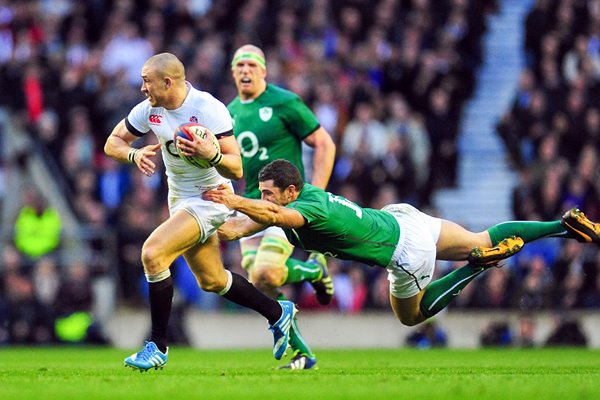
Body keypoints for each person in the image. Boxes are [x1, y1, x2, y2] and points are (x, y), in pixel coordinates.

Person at [203, 159, 600, 326]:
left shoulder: (305, 211)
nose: (263, 198)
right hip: (403, 218)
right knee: (483, 236)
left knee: (412, 315)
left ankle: (475, 267)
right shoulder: (302, 199)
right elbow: (240, 227)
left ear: (290, 191)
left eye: (269, 193)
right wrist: (202, 220)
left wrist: (233, 198)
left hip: (405, 253)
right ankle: (564, 225)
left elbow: (271, 216)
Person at [104, 53, 301, 372]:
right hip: (179, 199)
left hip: (212, 198)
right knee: (212, 280)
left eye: (146, 81)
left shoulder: (207, 109)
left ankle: (157, 346)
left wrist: (212, 154)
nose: (142, 88)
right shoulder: (150, 111)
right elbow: (112, 142)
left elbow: (236, 166)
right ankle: (278, 313)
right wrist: (133, 153)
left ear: (167, 82)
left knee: (153, 254)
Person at [227, 44, 337, 369]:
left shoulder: (284, 102)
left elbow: (324, 143)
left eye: (251, 64)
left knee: (264, 273)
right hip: (249, 205)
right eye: (239, 65)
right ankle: (304, 353)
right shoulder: (228, 111)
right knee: (260, 283)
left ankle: (313, 269)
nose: (245, 70)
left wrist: (314, 192)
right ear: (233, 72)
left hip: (281, 204)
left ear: (263, 71)